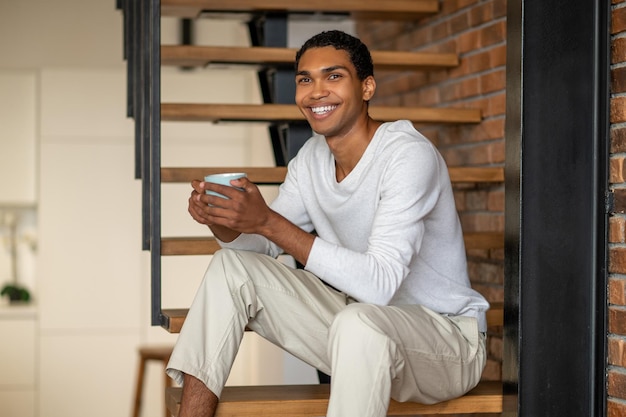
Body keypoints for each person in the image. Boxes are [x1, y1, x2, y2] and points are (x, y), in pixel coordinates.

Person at [166, 30, 489, 417]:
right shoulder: (311, 159)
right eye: (305, 79)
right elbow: (263, 247)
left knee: (359, 321)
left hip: (446, 343)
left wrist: (267, 221)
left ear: (367, 87)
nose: (316, 91)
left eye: (333, 76)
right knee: (229, 267)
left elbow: (378, 283)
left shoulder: (407, 156)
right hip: (361, 332)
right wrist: (227, 223)